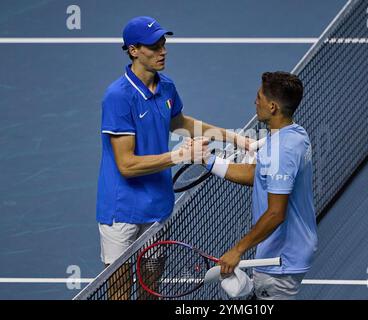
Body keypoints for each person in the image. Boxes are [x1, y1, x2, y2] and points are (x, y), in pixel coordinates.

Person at [96, 16, 251, 299]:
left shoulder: (166, 86)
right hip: (122, 211)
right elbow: (127, 165)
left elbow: (179, 121)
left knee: (150, 287)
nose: (163, 51)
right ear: (134, 50)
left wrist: (235, 137)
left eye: (163, 44)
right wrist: (180, 155)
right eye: (154, 47)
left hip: (158, 206)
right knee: (117, 292)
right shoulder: (117, 97)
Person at [205, 71, 318, 300]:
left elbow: (276, 213)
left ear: (273, 106)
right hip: (291, 250)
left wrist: (237, 250)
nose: (255, 102)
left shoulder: (281, 150)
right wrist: (208, 161)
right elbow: (256, 174)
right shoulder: (295, 134)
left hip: (280, 261)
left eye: (260, 97)